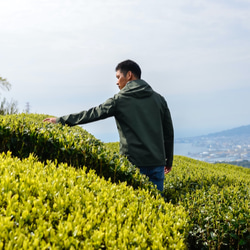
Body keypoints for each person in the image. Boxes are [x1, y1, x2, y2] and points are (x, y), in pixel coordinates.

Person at [43, 59, 174, 192]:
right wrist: (168, 161)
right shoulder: (159, 100)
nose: (117, 82)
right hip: (157, 164)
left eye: (118, 77)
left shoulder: (119, 100)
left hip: (133, 163)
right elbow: (168, 133)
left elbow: (92, 113)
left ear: (129, 75)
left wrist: (60, 120)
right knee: (156, 206)